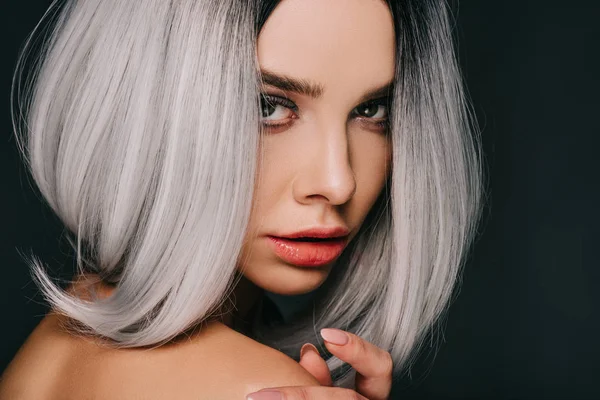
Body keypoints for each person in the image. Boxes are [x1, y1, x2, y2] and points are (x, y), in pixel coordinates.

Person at [0, 0, 484, 398]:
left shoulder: (52, 348)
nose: (339, 183)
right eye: (269, 106)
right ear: (150, 106)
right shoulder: (260, 388)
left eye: (371, 110)